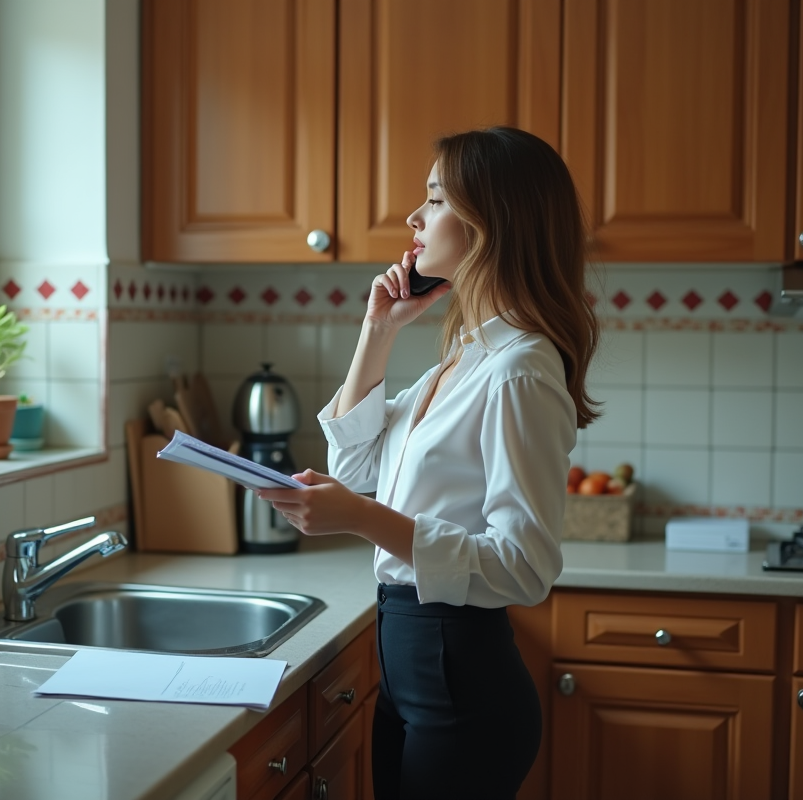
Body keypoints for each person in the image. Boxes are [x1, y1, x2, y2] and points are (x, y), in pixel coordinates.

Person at [257, 126, 600, 799]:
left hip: (461, 682)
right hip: (413, 663)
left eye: (436, 199)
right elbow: (354, 471)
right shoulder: (465, 359)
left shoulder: (518, 371)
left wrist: (357, 518)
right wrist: (377, 332)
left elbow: (525, 566)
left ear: (490, 223)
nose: (414, 218)